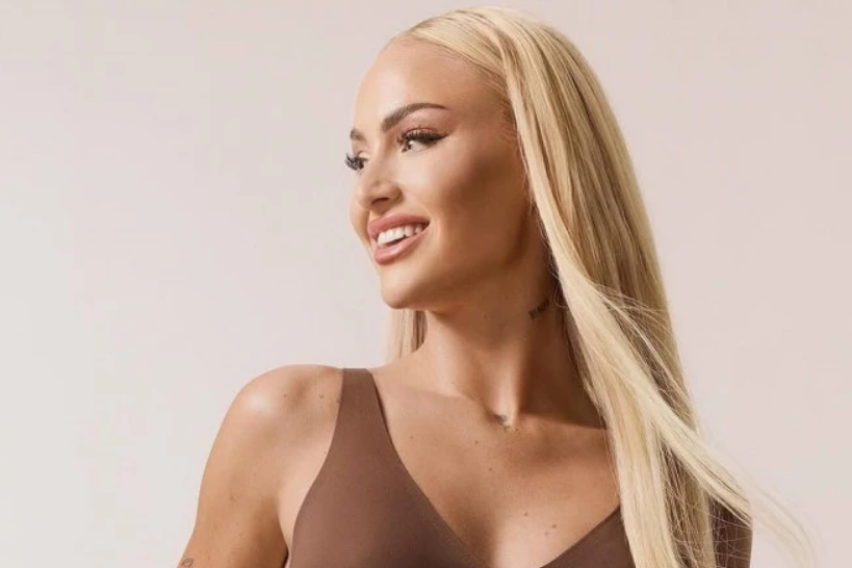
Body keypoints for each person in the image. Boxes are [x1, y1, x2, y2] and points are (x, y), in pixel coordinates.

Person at [176, 6, 813, 568]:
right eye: (358, 159)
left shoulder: (690, 507)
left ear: (540, 158)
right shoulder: (290, 424)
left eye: (416, 140)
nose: (369, 190)